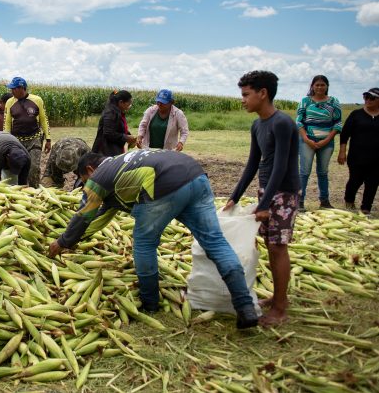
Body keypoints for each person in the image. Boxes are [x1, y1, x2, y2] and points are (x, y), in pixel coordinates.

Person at [48, 150, 258, 330]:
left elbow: (84, 214)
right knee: (215, 242)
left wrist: (62, 242)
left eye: (85, 182)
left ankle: (150, 302)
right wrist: (73, 239)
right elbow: (101, 215)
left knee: (144, 243)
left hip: (165, 185)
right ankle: (245, 306)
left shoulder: (98, 177)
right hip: (196, 175)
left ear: (90, 171)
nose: (87, 187)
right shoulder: (123, 161)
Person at [224, 71, 299, 328]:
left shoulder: (282, 123)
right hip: (267, 191)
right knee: (270, 245)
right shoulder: (257, 125)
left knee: (278, 248)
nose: (242, 100)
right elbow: (253, 164)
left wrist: (266, 205)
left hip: (284, 193)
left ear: (262, 93)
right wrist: (234, 197)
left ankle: (280, 307)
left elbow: (280, 167)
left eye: (246, 95)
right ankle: (278, 297)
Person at [296, 75, 342, 210]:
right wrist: (306, 139)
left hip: (327, 142)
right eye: (317, 85)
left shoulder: (333, 102)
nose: (320, 87)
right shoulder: (305, 101)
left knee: (322, 172)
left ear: (327, 86)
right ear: (312, 86)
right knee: (304, 172)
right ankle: (299, 201)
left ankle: (324, 201)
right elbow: (298, 121)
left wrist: (327, 139)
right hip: (307, 141)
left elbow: (338, 123)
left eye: (323, 85)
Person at [338, 87, 379, 215]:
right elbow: (344, 134)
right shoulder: (356, 114)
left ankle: (366, 207)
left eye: (372, 98)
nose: (368, 100)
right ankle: (349, 202)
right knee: (355, 181)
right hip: (357, 156)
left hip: (377, 158)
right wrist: (342, 151)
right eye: (366, 96)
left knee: (373, 183)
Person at [4, 77, 51, 188]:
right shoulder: (9, 102)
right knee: (18, 166)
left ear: (21, 88)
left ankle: (34, 190)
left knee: (34, 167)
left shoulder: (37, 100)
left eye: (13, 89)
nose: (11, 91)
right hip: (17, 141)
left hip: (34, 139)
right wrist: (7, 140)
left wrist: (48, 139)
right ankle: (21, 189)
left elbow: (44, 120)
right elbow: (6, 124)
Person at [93, 90, 136, 157]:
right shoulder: (110, 113)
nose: (130, 106)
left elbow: (119, 128)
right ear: (121, 102)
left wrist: (130, 137)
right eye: (129, 103)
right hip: (105, 152)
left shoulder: (118, 112)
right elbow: (108, 133)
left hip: (113, 150)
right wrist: (126, 137)